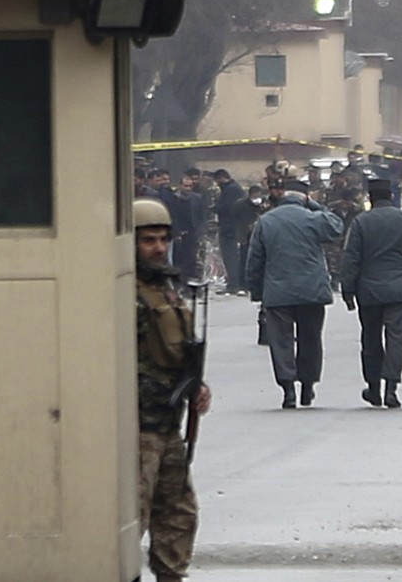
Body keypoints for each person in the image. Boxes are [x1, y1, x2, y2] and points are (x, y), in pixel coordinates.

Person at [132, 198, 212, 582]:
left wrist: (196, 386)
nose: (158, 247)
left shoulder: (165, 288)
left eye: (163, 239)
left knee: (178, 514)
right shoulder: (123, 294)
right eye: (148, 240)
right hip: (138, 427)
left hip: (168, 424)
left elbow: (179, 350)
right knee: (135, 514)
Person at [245, 185, 344, 409]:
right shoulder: (314, 218)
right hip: (312, 291)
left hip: (278, 292)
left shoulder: (266, 221)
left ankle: (288, 388)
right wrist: (315, 205)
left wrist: (257, 291)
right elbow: (337, 226)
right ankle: (307, 386)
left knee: (281, 341)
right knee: (310, 338)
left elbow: (255, 260)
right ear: (304, 200)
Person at [341, 179, 402, 409]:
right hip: (399, 289)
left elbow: (350, 258)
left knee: (371, 339)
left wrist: (348, 290)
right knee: (397, 338)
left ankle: (373, 387)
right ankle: (392, 386)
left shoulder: (360, 223)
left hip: (369, 290)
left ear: (370, 199)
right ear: (391, 197)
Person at [163, 171, 207, 283]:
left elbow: (202, 216)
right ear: (180, 185)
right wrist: (175, 231)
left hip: (193, 232)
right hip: (178, 232)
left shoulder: (197, 198)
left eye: (190, 186)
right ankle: (179, 282)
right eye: (186, 186)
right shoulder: (173, 198)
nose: (188, 188)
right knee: (178, 259)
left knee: (191, 259)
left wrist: (200, 231)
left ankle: (190, 282)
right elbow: (172, 216)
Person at [212, 169, 246, 295]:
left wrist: (215, 208)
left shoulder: (231, 190)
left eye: (217, 180)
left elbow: (228, 207)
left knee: (230, 256)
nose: (216, 183)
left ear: (222, 178)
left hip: (230, 228)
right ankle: (235, 282)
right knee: (231, 256)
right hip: (231, 227)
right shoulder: (232, 188)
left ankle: (234, 284)